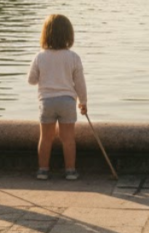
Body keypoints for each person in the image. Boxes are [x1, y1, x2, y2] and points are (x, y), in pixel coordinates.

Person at [27, 14, 87, 181]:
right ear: (69, 35)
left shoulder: (40, 57)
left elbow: (31, 80)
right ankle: (70, 171)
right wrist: (83, 102)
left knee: (46, 138)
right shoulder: (73, 57)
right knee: (68, 139)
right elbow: (80, 83)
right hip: (67, 101)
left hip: (47, 102)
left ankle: (42, 170)